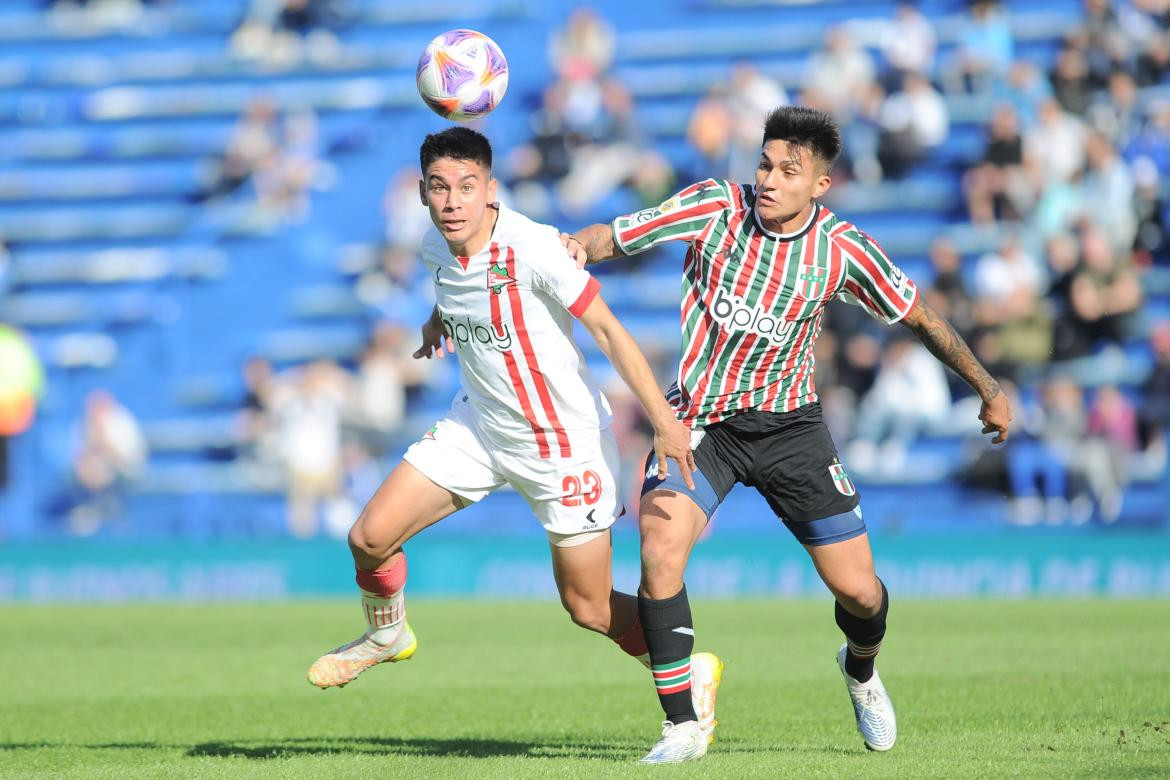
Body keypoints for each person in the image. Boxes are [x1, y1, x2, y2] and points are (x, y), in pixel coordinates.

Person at [561, 106, 1012, 761]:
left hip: (792, 431)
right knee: (659, 550)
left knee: (858, 590)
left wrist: (988, 388)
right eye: (765, 164)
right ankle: (682, 724)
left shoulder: (841, 249)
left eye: (788, 171)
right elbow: (620, 234)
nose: (769, 179)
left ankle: (859, 669)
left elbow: (918, 315)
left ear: (819, 186)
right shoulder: (716, 206)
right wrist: (580, 247)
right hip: (702, 423)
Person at [306, 128, 724, 758]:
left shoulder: (533, 249)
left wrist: (665, 422)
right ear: (423, 193)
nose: (453, 202)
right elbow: (459, 290)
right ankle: (387, 636)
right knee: (367, 537)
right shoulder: (433, 246)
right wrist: (437, 321)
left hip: (564, 447)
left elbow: (609, 332)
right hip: (478, 425)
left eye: (467, 188)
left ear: (491, 190)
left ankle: (686, 669)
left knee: (586, 607)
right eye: (440, 188)